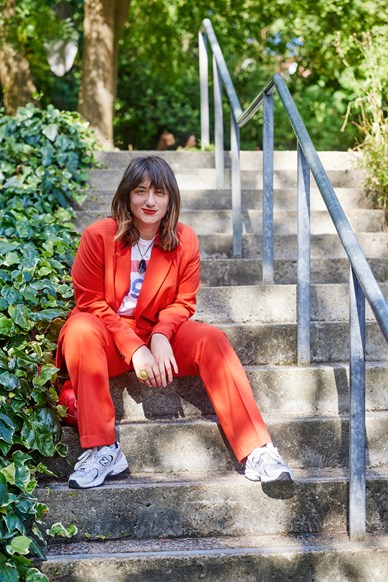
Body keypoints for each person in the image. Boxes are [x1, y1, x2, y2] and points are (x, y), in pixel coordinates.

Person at [56, 156, 292, 489]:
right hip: (104, 338)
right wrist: (135, 347)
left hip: (158, 334)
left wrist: (161, 336)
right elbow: (90, 302)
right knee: (80, 327)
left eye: (160, 193)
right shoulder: (98, 236)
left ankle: (257, 450)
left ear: (171, 200)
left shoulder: (186, 241)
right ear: (126, 195)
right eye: (141, 191)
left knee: (212, 340)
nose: (150, 201)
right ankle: (101, 449)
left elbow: (183, 302)